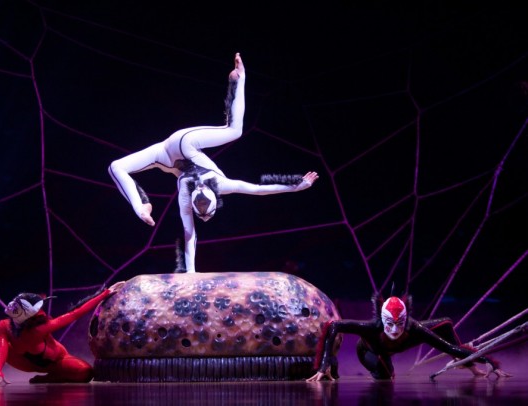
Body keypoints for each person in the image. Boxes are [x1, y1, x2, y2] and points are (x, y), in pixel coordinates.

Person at [109, 53, 319, 273]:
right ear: (213, 197)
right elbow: (258, 190)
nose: (199, 189)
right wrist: (296, 186)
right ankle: (239, 79)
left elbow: (190, 233)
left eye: (197, 196)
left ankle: (141, 206)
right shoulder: (214, 187)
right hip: (176, 150)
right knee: (233, 131)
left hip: (172, 152)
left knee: (116, 167)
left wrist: (191, 273)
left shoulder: (191, 194)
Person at [0, 281, 125, 385]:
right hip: (26, 363)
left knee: (85, 372)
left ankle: (50, 378)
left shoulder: (42, 328)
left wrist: (106, 292)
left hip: (57, 363)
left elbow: (75, 313)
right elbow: (1, 348)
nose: (42, 311)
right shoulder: (4, 326)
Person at [306, 293, 509, 381]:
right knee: (386, 376)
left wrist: (489, 362)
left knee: (445, 324)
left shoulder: (415, 330)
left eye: (399, 324)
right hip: (371, 351)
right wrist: (324, 366)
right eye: (390, 324)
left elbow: (450, 347)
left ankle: (466, 365)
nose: (395, 330)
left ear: (405, 321)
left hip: (399, 342)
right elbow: (334, 326)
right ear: (382, 321)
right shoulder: (371, 329)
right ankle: (377, 371)